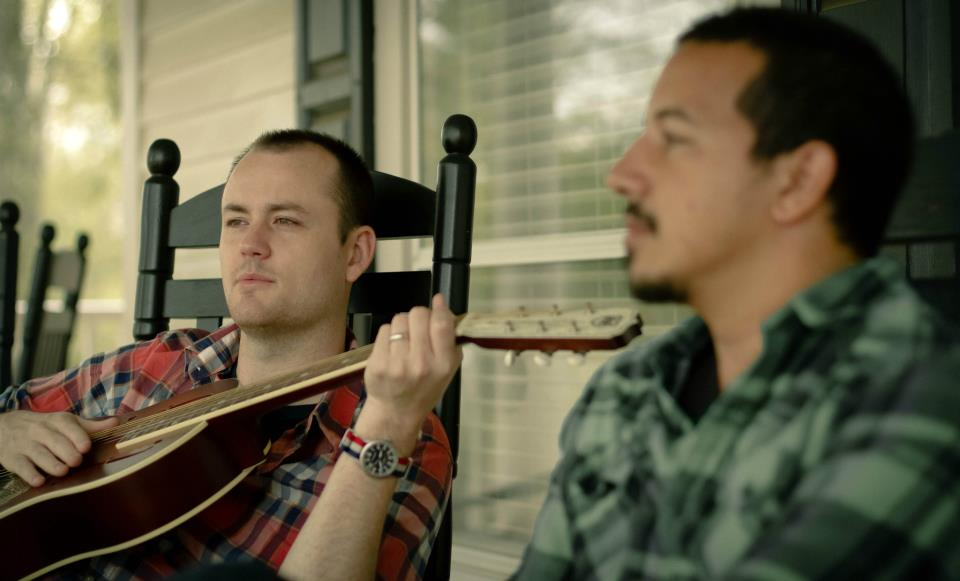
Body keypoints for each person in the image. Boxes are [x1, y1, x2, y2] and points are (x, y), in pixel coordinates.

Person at [513, 7, 959, 580]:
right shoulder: (627, 389)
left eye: (674, 139)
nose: (620, 174)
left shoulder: (919, 400)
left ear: (797, 180)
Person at [0, 130, 462, 580]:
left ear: (355, 254)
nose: (250, 244)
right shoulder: (162, 361)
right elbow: (10, 406)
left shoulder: (405, 434)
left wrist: (384, 424)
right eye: (236, 221)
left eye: (285, 220)